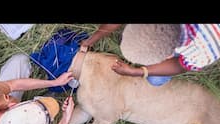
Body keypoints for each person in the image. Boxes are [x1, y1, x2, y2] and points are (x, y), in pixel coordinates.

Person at [81, 24, 220, 85]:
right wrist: (89, 41)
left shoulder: (206, 51)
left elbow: (179, 65)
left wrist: (137, 71)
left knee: (155, 80)